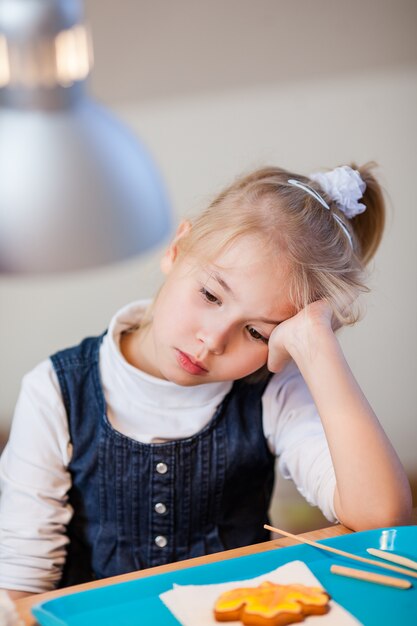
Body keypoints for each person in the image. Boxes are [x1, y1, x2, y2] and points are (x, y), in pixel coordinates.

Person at [0, 164, 412, 599]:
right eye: (211, 295)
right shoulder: (55, 391)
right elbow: (20, 584)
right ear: (178, 249)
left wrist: (319, 348)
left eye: (258, 332)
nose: (213, 341)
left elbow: (382, 518)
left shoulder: (272, 389)